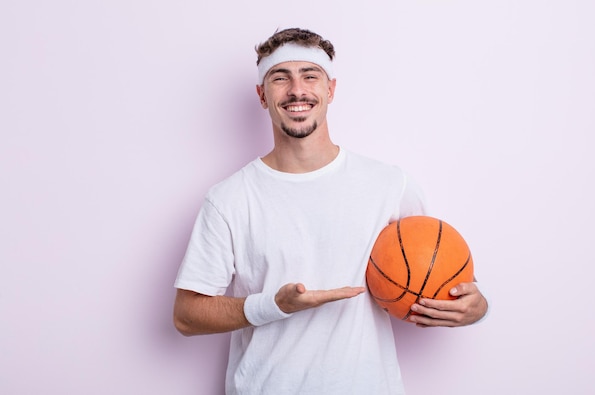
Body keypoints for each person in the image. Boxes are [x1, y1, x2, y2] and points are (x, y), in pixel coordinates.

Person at [173, 27, 488, 395]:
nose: (297, 90)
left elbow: (438, 271)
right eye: (280, 78)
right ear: (262, 95)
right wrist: (272, 305)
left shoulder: (388, 184)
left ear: (330, 90)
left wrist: (476, 305)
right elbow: (186, 316)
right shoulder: (229, 199)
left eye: (310, 76)